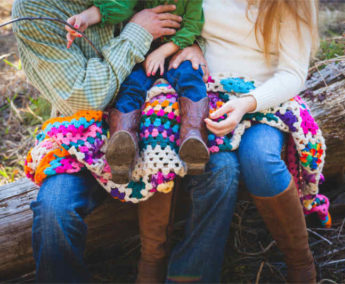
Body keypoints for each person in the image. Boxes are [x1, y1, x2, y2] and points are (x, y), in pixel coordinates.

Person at [12, 0, 239, 282]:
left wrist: (193, 45)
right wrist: (137, 31)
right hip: (82, 134)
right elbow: (85, 98)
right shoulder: (36, 9)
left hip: (163, 115)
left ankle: (189, 275)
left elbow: (192, 17)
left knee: (223, 171)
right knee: (53, 211)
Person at [166, 0, 320, 282]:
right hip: (208, 95)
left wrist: (247, 104)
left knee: (260, 159)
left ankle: (301, 263)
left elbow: (293, 73)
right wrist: (190, 44)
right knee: (219, 168)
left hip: (265, 101)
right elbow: (185, 20)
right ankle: (192, 276)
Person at [65, 0, 209, 184]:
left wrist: (164, 51)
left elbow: (193, 26)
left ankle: (194, 136)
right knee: (131, 85)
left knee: (191, 78)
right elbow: (118, 6)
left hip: (176, 52)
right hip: (143, 54)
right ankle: (122, 145)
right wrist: (85, 18)